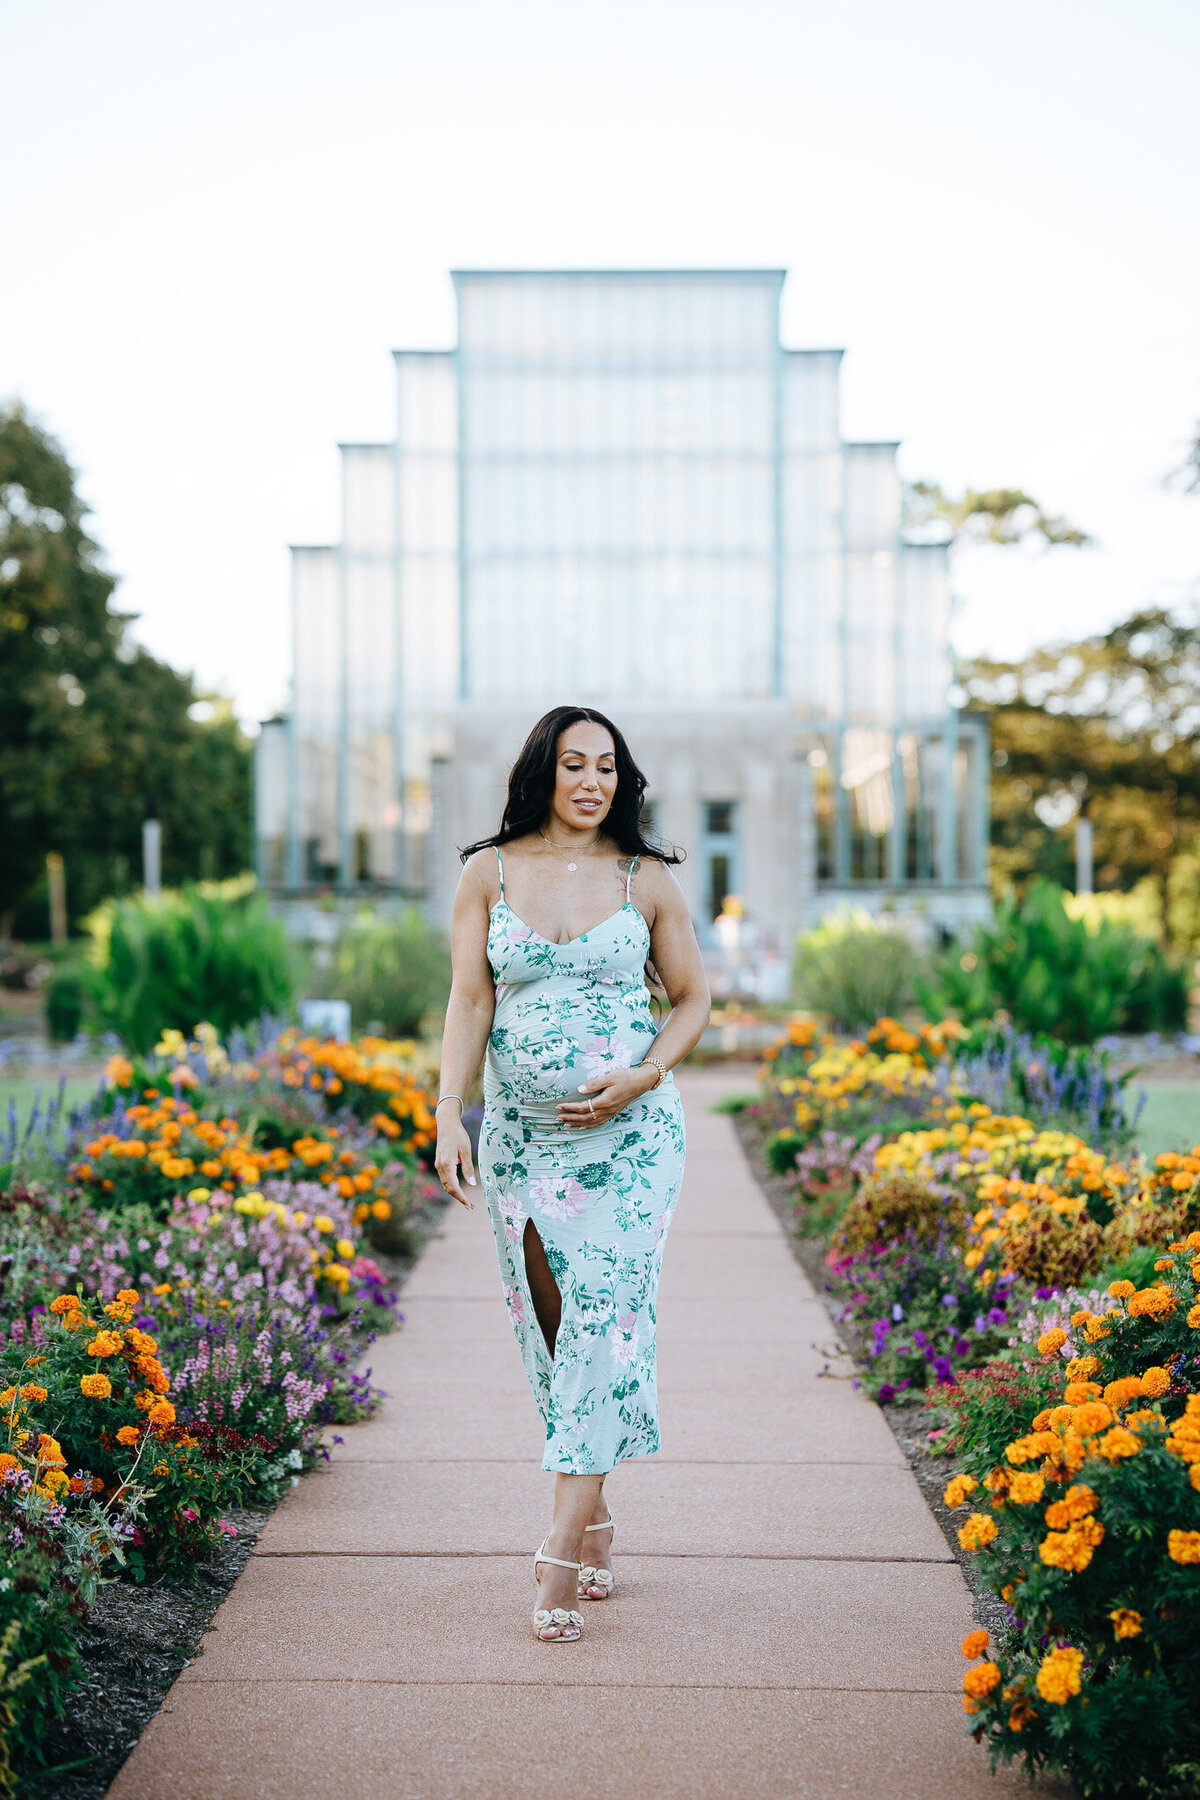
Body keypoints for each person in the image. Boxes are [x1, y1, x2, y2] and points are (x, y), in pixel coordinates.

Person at [435, 705, 711, 1642]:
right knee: (552, 1324)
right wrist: (448, 1112)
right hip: (525, 1141)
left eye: (607, 767)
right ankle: (594, 1513)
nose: (592, 782)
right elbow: (471, 995)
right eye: (574, 765)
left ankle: (555, 1554)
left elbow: (694, 998)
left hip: (632, 1146)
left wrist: (645, 1073)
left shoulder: (648, 879)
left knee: (604, 1320)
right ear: (543, 774)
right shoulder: (490, 870)